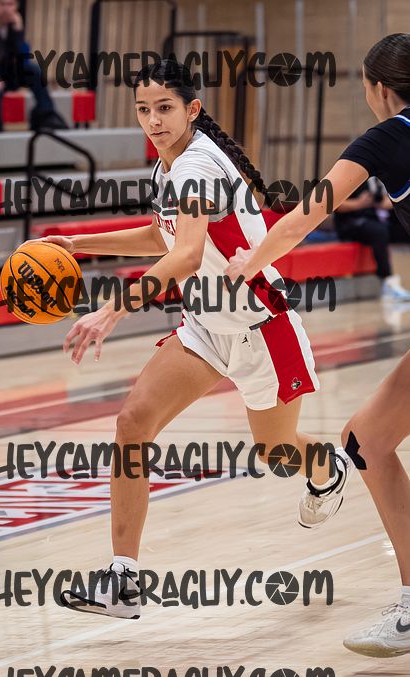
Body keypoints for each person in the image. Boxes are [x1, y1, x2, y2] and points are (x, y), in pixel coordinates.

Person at [32, 59, 352, 620]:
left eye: (165, 108)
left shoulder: (198, 164)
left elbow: (183, 256)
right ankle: (123, 579)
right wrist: (79, 244)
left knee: (276, 451)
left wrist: (111, 310)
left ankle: (329, 469)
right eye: (143, 110)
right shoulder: (170, 165)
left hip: (260, 327)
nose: (153, 120)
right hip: (205, 325)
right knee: (133, 424)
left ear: (192, 110)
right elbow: (163, 235)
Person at [225, 33, 410, 658]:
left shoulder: (385, 138)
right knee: (366, 439)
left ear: (378, 88)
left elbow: (307, 214)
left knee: (367, 441)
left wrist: (250, 260)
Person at [0, 0, 65, 132]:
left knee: (33, 71)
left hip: (2, 75)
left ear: (16, 7)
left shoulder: (13, 26)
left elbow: (23, 60)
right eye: (2, 4)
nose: (6, 9)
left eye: (10, 4)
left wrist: (18, 33)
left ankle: (45, 115)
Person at [334, 179, 410, 300]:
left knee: (402, 229)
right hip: (350, 224)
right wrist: (358, 203)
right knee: (379, 231)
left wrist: (388, 202)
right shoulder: (352, 177)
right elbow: (334, 205)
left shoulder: (380, 180)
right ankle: (387, 280)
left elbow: (383, 202)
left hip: (374, 221)